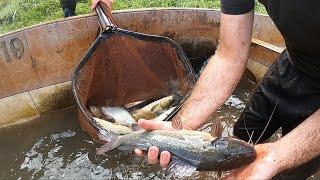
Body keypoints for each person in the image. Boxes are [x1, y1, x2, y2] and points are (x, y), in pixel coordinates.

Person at [92, 0, 320, 178]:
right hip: (294, 63)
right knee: (242, 135)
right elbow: (229, 55)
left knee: (282, 172)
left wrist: (276, 156)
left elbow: (277, 158)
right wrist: (182, 124)